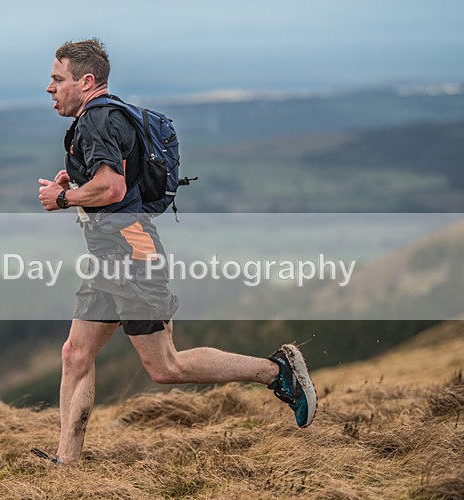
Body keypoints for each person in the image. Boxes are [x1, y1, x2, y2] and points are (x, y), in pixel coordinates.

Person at [35, 38, 316, 466]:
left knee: (166, 366)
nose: (49, 88)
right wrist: (76, 190)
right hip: (113, 253)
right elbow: (117, 189)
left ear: (86, 81)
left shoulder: (97, 120)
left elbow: (110, 187)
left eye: (57, 79)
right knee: (75, 353)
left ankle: (277, 372)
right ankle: (67, 464)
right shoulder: (112, 117)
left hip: (130, 251)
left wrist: (62, 199)